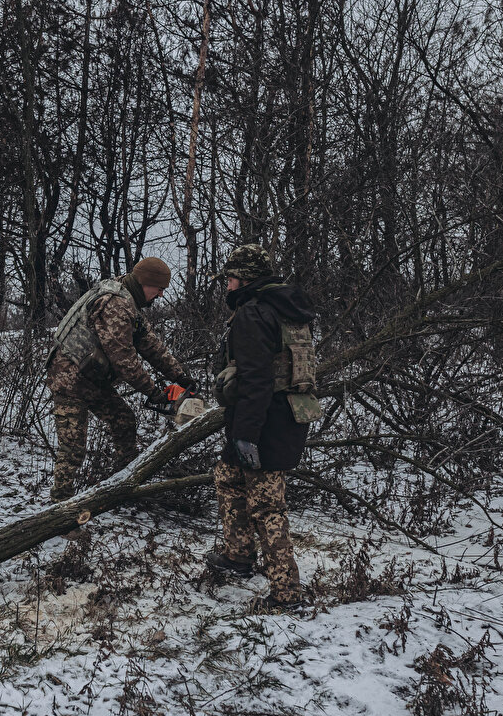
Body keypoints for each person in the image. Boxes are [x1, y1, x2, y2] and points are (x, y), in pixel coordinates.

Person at [206, 244, 321, 612]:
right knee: (228, 477)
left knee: (267, 507)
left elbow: (256, 380)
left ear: (245, 278)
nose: (227, 285)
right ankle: (238, 555)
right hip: (285, 416)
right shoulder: (289, 309)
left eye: (230, 278)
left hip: (263, 421)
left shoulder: (254, 314)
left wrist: (246, 436)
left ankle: (286, 594)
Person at [46, 256, 197, 501]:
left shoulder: (128, 300)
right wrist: (153, 392)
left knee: (124, 421)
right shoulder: (115, 304)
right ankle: (59, 507)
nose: (161, 295)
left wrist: (180, 375)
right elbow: (124, 360)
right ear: (145, 282)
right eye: (159, 289)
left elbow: (149, 344)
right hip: (68, 379)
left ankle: (122, 485)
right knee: (72, 447)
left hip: (92, 378)